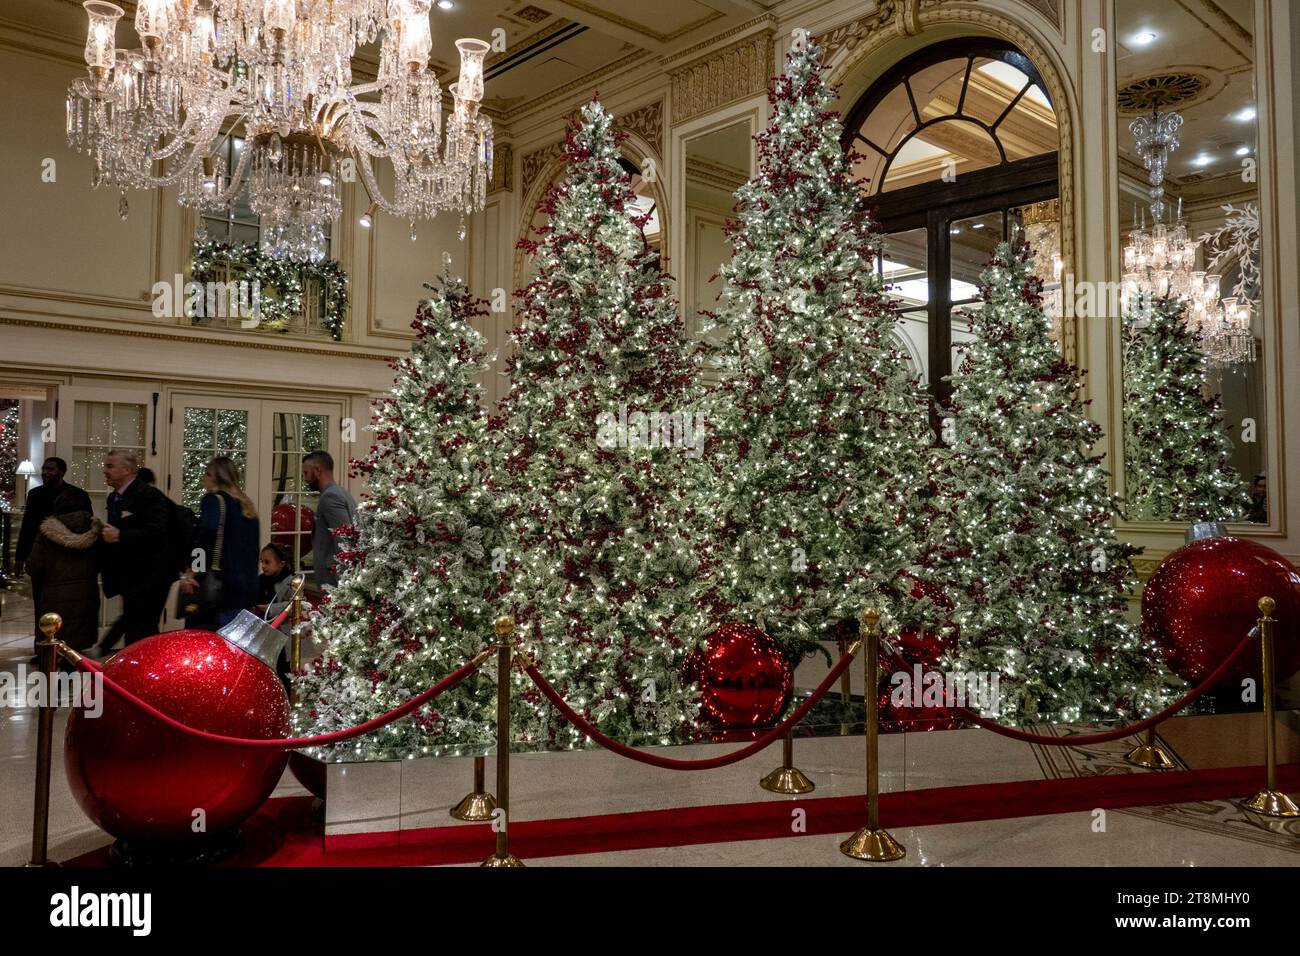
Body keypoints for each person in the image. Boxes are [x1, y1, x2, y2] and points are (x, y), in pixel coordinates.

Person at [92, 449, 172, 654]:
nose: (105, 471)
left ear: (126, 470)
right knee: (134, 625)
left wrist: (120, 535)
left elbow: (158, 532)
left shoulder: (148, 495)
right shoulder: (114, 498)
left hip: (151, 575)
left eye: (110, 466)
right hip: (130, 575)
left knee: (141, 631)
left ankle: (140, 675)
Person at [181, 457, 260, 630]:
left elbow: (205, 537)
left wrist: (193, 571)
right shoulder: (247, 507)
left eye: (206, 474)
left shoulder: (213, 501)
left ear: (213, 477)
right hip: (247, 586)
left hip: (221, 586)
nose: (204, 479)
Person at [25, 491, 102, 653]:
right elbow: (103, 563)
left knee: (54, 643)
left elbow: (34, 566)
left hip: (54, 596)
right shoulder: (96, 531)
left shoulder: (47, 532)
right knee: (77, 648)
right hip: (86, 594)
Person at [15, 458, 91, 589]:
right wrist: (20, 557)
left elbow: (86, 526)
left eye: (50, 469)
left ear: (62, 472)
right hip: (41, 555)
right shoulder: (34, 494)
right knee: (40, 600)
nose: (44, 472)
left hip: (67, 557)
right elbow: (27, 527)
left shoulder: (77, 494)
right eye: (43, 469)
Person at [302, 450, 356, 590]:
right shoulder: (341, 493)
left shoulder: (330, 497)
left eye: (306, 473)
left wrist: (343, 578)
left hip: (334, 578)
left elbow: (343, 538)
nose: (305, 478)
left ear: (318, 470)